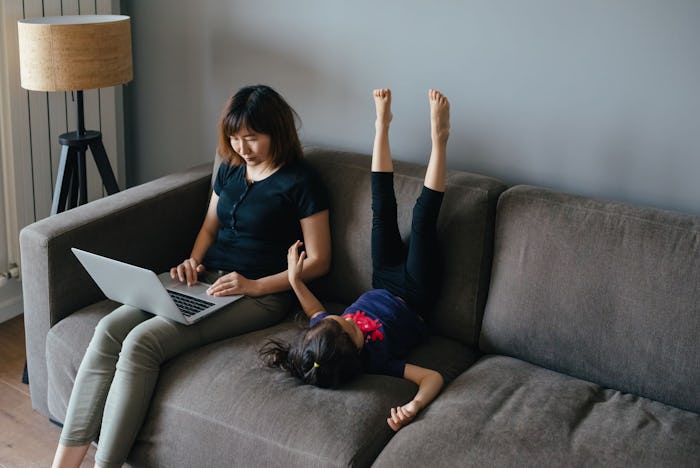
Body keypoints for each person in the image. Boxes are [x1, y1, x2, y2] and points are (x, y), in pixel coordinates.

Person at [52, 85, 331, 468]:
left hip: (258, 295)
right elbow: (208, 230)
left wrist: (254, 285)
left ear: (278, 132)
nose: (242, 148)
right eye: (235, 138)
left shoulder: (302, 181)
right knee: (108, 330)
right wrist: (191, 262)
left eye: (251, 138)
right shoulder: (231, 169)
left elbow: (318, 261)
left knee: (141, 343)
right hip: (203, 281)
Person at [260, 88, 450, 431]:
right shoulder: (381, 360)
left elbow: (313, 309)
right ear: (359, 350)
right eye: (351, 327)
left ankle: (381, 125)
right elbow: (432, 377)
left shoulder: (327, 333)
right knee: (423, 219)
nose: (349, 319)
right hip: (416, 293)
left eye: (340, 319)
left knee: (381, 208)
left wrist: (294, 280)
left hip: (384, 278)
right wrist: (413, 406)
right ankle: (440, 140)